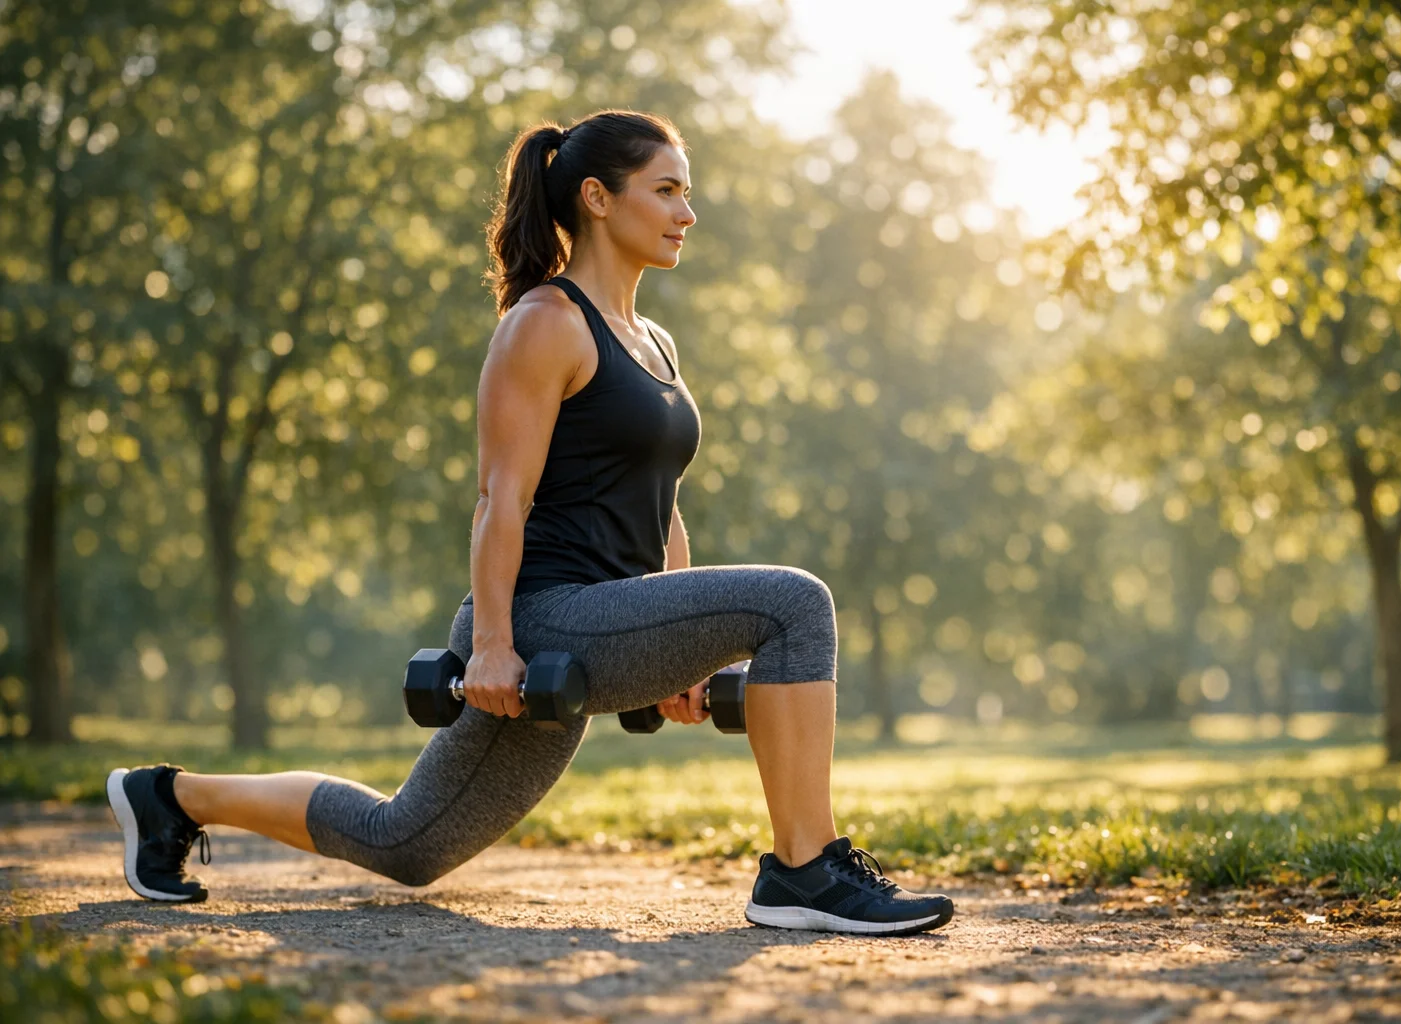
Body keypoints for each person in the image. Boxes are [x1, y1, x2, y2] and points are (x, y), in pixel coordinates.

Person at [107, 109, 953, 936]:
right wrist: (494, 645)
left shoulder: (653, 339)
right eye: (665, 191)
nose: (687, 213)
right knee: (796, 603)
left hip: (612, 618)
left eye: (687, 194)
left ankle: (168, 797)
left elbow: (662, 506)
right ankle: (804, 870)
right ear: (596, 197)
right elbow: (498, 500)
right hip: (542, 617)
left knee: (407, 843)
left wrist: (684, 652)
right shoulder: (545, 324)